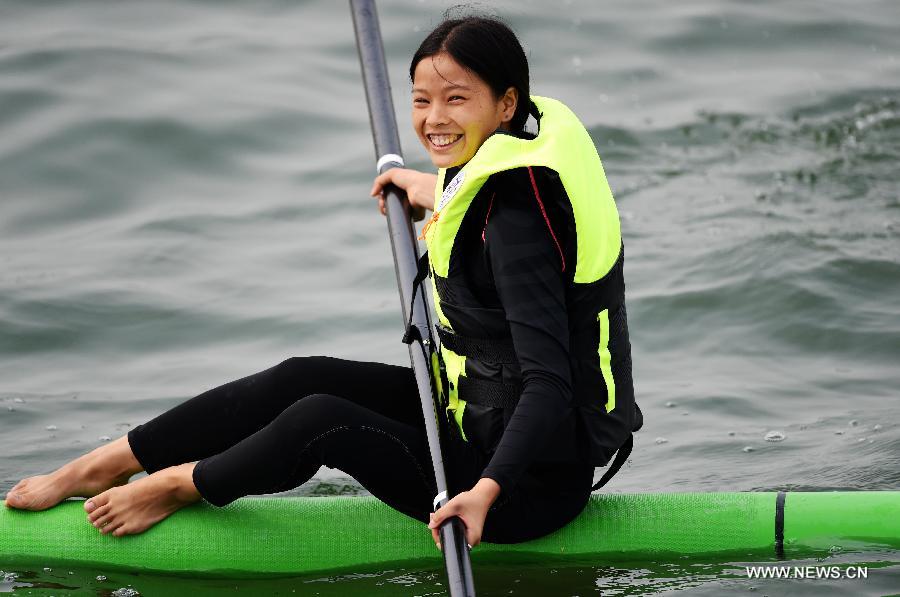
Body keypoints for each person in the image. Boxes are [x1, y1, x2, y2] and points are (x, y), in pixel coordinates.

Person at [4, 15, 640, 550]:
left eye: (456, 99)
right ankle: (101, 465)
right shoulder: (491, 167)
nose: (434, 119)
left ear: (506, 104)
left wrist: (483, 496)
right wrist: (415, 186)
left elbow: (550, 383)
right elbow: (458, 193)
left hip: (526, 483)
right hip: (469, 415)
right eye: (421, 100)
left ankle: (176, 484)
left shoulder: (518, 224)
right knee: (300, 375)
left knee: (322, 419)